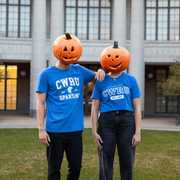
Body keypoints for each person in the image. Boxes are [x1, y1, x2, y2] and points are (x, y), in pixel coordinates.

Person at [36, 33, 104, 180]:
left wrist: (100, 71)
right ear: (57, 50)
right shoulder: (46, 75)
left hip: (75, 130)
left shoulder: (79, 70)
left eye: (72, 49)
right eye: (65, 49)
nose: (68, 53)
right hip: (54, 131)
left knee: (75, 168)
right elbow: (40, 103)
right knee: (54, 170)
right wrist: (41, 130)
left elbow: (96, 77)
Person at [91, 42, 141, 180]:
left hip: (127, 121)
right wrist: (94, 131)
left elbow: (137, 107)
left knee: (127, 159)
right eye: (110, 57)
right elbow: (94, 108)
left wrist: (138, 132)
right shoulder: (101, 81)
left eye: (118, 57)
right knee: (105, 159)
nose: (114, 60)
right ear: (104, 59)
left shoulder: (131, 80)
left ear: (125, 59)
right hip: (106, 122)